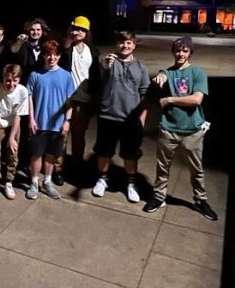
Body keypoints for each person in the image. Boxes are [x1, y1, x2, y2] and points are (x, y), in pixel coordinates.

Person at [143, 36, 218, 221]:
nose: (181, 54)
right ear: (173, 52)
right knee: (162, 167)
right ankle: (159, 197)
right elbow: (161, 76)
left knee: (196, 169)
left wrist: (169, 99)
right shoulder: (168, 72)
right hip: (168, 129)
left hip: (192, 131)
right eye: (177, 50)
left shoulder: (197, 73)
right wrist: (160, 75)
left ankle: (200, 200)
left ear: (190, 52)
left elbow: (196, 99)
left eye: (185, 51)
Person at [91, 31, 149, 203]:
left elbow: (144, 95)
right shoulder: (109, 61)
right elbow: (99, 77)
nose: (125, 46)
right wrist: (104, 65)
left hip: (131, 120)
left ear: (134, 45)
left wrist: (142, 119)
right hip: (108, 116)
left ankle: (131, 184)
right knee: (104, 151)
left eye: (129, 43)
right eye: (121, 42)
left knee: (130, 155)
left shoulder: (141, 67)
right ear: (117, 44)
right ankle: (102, 179)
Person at [24, 41, 74, 200]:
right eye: (48, 54)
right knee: (36, 155)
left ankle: (47, 182)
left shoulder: (66, 76)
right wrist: (31, 119)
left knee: (51, 156)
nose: (52, 57)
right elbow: (29, 98)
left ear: (59, 56)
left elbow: (69, 101)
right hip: (39, 124)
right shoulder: (35, 75)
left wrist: (67, 121)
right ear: (43, 56)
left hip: (57, 125)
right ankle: (33, 183)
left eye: (55, 54)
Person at [55, 15, 101, 185]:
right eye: (75, 29)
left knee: (79, 135)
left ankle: (76, 164)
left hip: (84, 98)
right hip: (65, 97)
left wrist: (95, 97)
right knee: (62, 133)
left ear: (87, 32)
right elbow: (63, 48)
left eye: (81, 29)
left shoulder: (93, 50)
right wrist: (69, 37)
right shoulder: (67, 47)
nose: (78, 32)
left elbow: (96, 75)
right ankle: (58, 169)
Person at [0, 64, 29, 200]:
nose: (11, 84)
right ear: (3, 79)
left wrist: (11, 138)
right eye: (8, 80)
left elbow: (18, 116)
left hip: (13, 123)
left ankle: (9, 181)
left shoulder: (22, 92)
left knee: (13, 151)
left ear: (19, 79)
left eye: (15, 80)